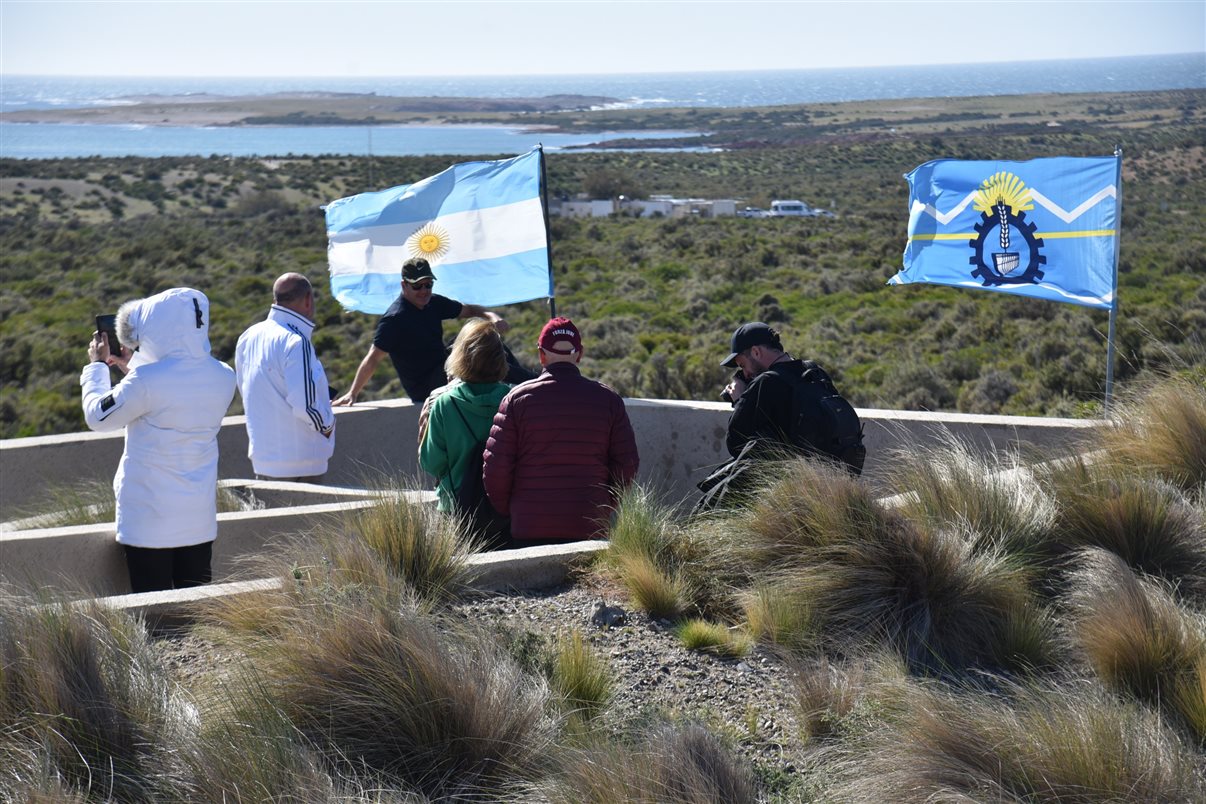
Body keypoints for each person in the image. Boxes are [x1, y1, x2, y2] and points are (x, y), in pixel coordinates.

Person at [80, 287, 236, 593]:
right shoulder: (223, 375)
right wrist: (133, 364)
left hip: (149, 522)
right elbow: (174, 384)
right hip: (198, 521)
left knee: (155, 617)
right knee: (197, 611)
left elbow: (98, 417)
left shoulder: (145, 383)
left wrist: (97, 367)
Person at [483, 317, 640, 545]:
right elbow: (627, 464)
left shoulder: (517, 399)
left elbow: (495, 467)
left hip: (529, 525)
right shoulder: (608, 400)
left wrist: (513, 508)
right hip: (590, 525)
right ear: (579, 354)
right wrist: (605, 504)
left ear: (541, 354)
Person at [697, 322, 864, 511]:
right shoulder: (814, 371)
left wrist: (740, 399)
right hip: (836, 480)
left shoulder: (767, 382)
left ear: (756, 352)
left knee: (709, 508)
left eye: (742, 365)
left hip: (795, 489)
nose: (745, 373)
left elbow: (736, 443)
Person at [333, 257, 530, 406]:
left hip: (443, 366)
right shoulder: (395, 319)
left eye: (428, 284)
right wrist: (353, 392)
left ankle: (530, 385)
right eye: (417, 285)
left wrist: (493, 317)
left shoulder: (432, 303)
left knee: (488, 341)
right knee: (481, 357)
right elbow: (373, 358)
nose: (423, 291)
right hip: (426, 385)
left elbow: (470, 310)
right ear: (404, 285)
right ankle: (534, 384)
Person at [235, 273, 335, 482]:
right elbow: (306, 406)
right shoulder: (296, 341)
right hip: (302, 464)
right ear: (308, 300)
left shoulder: (248, 335)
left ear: (275, 300)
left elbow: (244, 388)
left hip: (264, 461)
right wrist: (328, 426)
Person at [418, 319, 512, 543]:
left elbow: (431, 463)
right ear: (499, 358)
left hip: (457, 510)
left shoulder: (444, 403)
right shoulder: (513, 400)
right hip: (507, 507)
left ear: (461, 356)